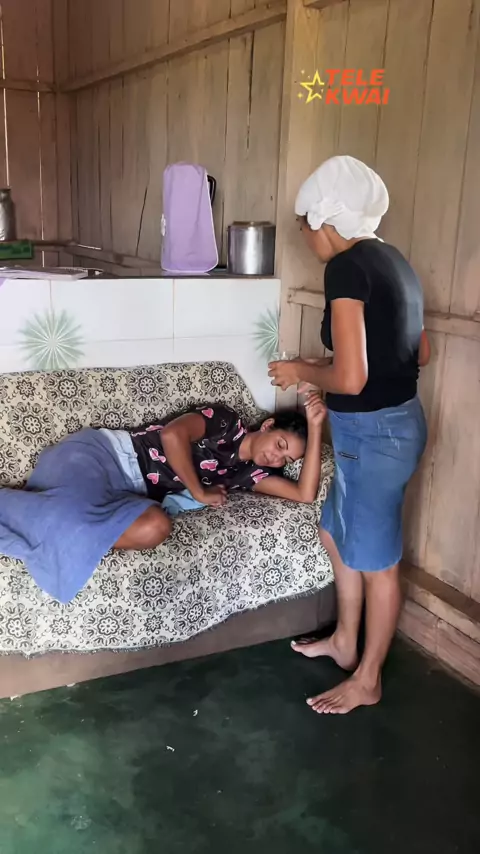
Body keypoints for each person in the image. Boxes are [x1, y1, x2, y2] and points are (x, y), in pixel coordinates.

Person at [269, 155, 430, 715]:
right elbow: (417, 353)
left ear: (323, 220)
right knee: (335, 530)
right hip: (391, 425)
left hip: (375, 435)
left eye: (303, 226)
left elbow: (354, 378)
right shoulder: (394, 260)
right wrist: (324, 368)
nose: (305, 237)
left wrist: (301, 371)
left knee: (378, 561)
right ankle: (344, 640)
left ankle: (369, 679)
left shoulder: (344, 269)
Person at [0, 394, 326, 603]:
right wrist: (199, 491)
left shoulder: (249, 474)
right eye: (280, 445)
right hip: (105, 457)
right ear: (268, 426)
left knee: (155, 526)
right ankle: (49, 519)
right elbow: (172, 434)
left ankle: (63, 527)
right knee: (68, 516)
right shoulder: (226, 423)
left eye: (286, 460)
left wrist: (315, 428)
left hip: (130, 492)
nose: (276, 458)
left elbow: (304, 494)